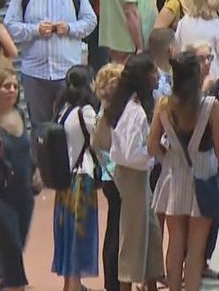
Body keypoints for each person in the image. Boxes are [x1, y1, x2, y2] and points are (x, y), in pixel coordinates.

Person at [148, 52, 219, 291]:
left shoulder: (163, 105)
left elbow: (152, 145)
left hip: (173, 177)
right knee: (196, 249)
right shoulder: (210, 107)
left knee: (175, 242)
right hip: (204, 176)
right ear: (197, 76)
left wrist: (170, 156)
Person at [4, 0, 98, 131]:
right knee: (40, 127)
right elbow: (11, 25)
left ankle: (67, 160)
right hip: (35, 74)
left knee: (69, 126)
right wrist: (34, 30)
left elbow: (90, 20)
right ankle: (39, 160)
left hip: (66, 73)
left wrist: (70, 28)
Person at [108, 55, 165, 291]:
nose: (158, 76)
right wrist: (156, 151)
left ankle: (151, 282)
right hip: (133, 175)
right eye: (154, 72)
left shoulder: (131, 105)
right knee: (133, 235)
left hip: (138, 176)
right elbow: (132, 153)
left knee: (151, 232)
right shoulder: (134, 111)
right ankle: (126, 286)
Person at [0, 68, 37, 291]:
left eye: (14, 86)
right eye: (6, 86)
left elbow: (26, 151)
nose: (12, 90)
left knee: (6, 257)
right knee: (12, 254)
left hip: (23, 197)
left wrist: (35, 171)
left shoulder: (20, 115)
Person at [52, 66, 101, 290]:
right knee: (80, 236)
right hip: (83, 179)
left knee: (67, 235)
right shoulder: (86, 111)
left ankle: (71, 285)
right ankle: (73, 286)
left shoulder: (64, 110)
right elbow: (101, 141)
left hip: (65, 181)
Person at [91, 62, 127, 291]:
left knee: (113, 228)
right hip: (118, 176)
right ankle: (115, 282)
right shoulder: (115, 113)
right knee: (118, 231)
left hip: (108, 176)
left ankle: (112, 282)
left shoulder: (101, 110)